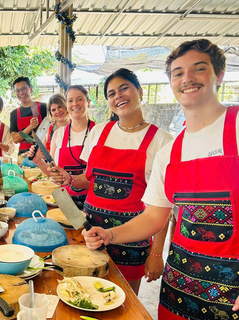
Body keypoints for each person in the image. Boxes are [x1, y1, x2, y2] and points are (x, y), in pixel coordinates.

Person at [83, 39, 239, 319]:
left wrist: (152, 254)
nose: (187, 78)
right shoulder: (171, 151)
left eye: (198, 69)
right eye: (178, 73)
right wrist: (110, 235)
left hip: (233, 291)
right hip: (179, 286)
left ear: (219, 74)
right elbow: (155, 215)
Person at [49, 69, 173, 294]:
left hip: (133, 242)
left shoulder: (162, 141)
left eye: (124, 88)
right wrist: (69, 179)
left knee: (122, 302)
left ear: (140, 91)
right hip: (90, 233)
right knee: (84, 294)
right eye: (112, 93)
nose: (118, 96)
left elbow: (163, 207)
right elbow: (89, 179)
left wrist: (156, 253)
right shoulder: (99, 132)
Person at [29, 87, 94, 206]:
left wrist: (70, 179)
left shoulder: (98, 132)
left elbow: (102, 177)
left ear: (88, 102)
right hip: (65, 201)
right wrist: (37, 160)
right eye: (70, 100)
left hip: (93, 202)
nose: (75, 104)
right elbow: (52, 172)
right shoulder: (58, 134)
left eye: (79, 99)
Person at [9, 76, 48, 156]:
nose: (21, 93)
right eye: (18, 90)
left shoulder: (43, 107)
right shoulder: (14, 113)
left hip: (41, 153)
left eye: (24, 89)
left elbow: (51, 131)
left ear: (30, 89)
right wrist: (30, 127)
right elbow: (15, 139)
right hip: (23, 155)